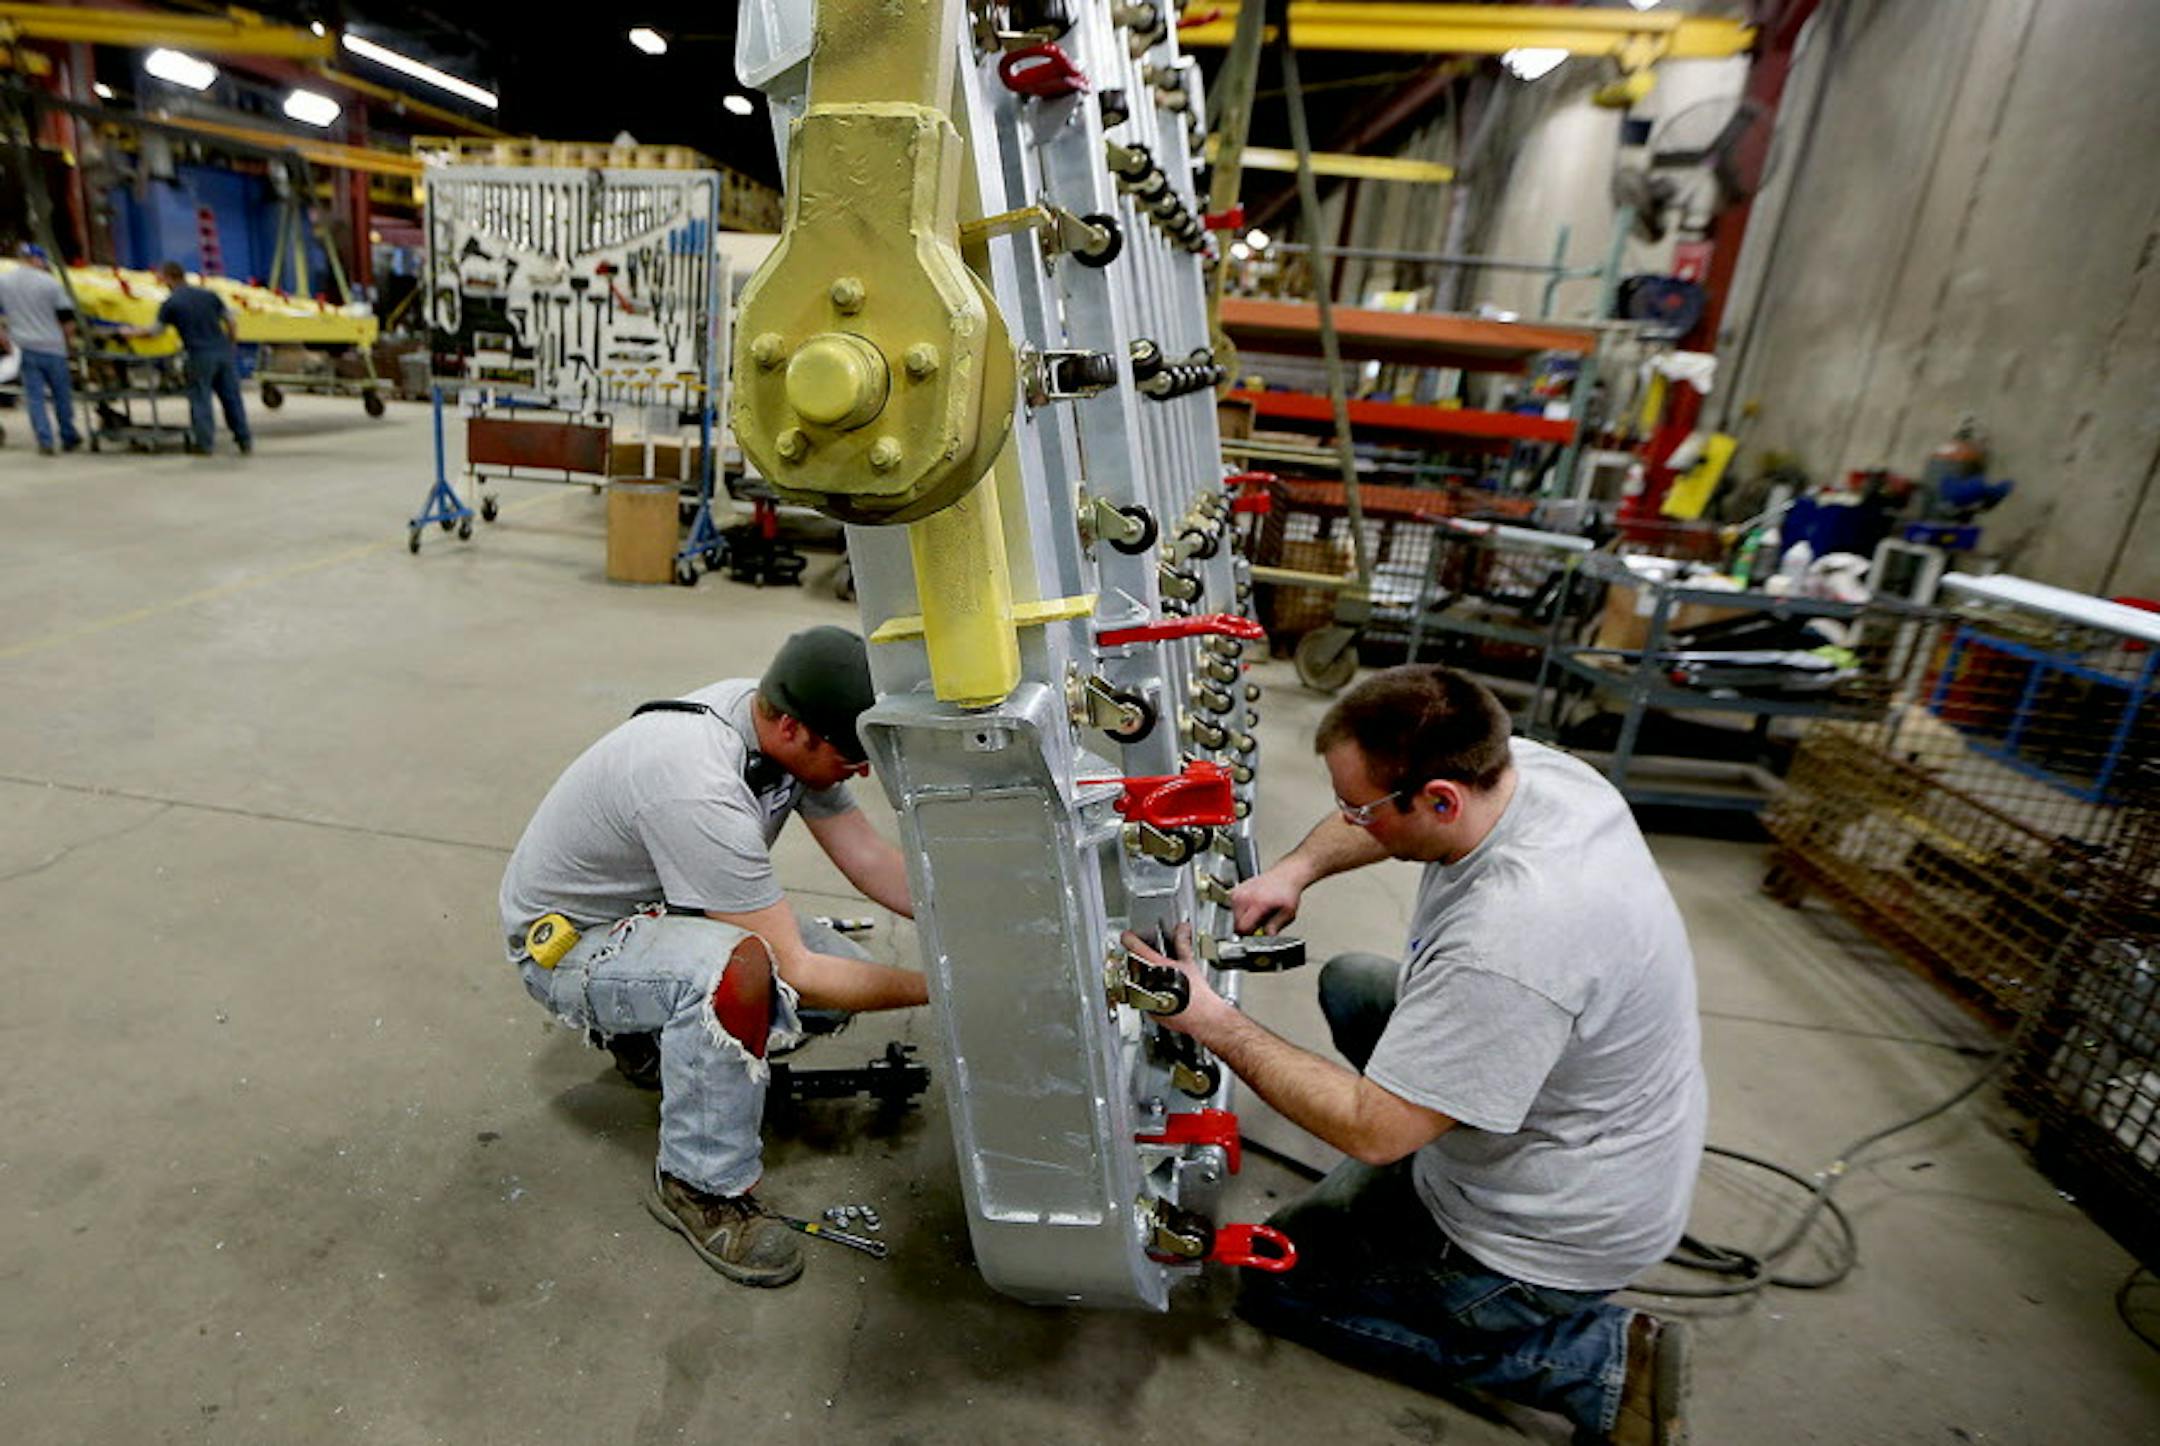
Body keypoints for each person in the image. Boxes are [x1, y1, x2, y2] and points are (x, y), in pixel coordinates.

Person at [1123, 664, 1706, 1446]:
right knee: (1357, 985)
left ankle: (1596, 1364)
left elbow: (1375, 1133)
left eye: (1357, 809)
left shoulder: (1515, 938)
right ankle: (1433, 1132)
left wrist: (1210, 1018)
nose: (1349, 821)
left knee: (1276, 1283)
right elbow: (1376, 817)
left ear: (1441, 801)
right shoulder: (1524, 771)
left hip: (1544, 1226)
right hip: (1580, 1119)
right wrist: (1295, 869)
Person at [498, 626, 926, 1289]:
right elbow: (797, 970)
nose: (862, 771)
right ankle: (699, 1185)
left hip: (654, 908)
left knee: (821, 986)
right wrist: (951, 990)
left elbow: (870, 859)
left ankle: (654, 1033)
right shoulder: (695, 782)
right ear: (791, 727)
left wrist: (984, 928)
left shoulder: (774, 725)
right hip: (570, 945)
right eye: (851, 754)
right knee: (748, 973)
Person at [142, 261, 251, 455]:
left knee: (201, 398)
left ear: (168, 277)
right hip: (222, 352)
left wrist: (129, 333)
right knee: (232, 398)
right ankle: (244, 440)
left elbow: (155, 331)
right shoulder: (209, 295)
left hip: (198, 355)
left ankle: (204, 444)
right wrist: (231, 343)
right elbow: (231, 321)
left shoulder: (171, 303)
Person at [0, 243, 84, 456]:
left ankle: (44, 440)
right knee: (61, 395)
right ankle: (68, 435)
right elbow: (67, 319)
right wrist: (68, 342)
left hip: (24, 347)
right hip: (53, 347)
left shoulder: (4, 282)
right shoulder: (50, 283)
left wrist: (4, 339)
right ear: (37, 259)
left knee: (34, 397)